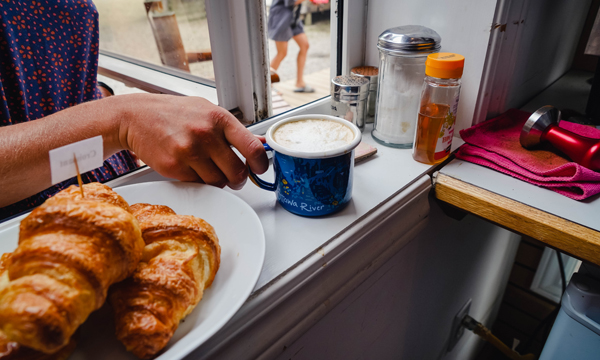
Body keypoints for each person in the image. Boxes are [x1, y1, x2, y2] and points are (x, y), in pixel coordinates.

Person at [0, 0, 268, 220]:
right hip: (34, 215)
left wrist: (101, 94)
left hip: (112, 174)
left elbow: (50, 62)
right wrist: (120, 121)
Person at [268, 0, 314, 93]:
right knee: (282, 53)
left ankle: (300, 82)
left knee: (304, 45)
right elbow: (290, 2)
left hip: (293, 17)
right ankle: (268, 85)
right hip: (280, 18)